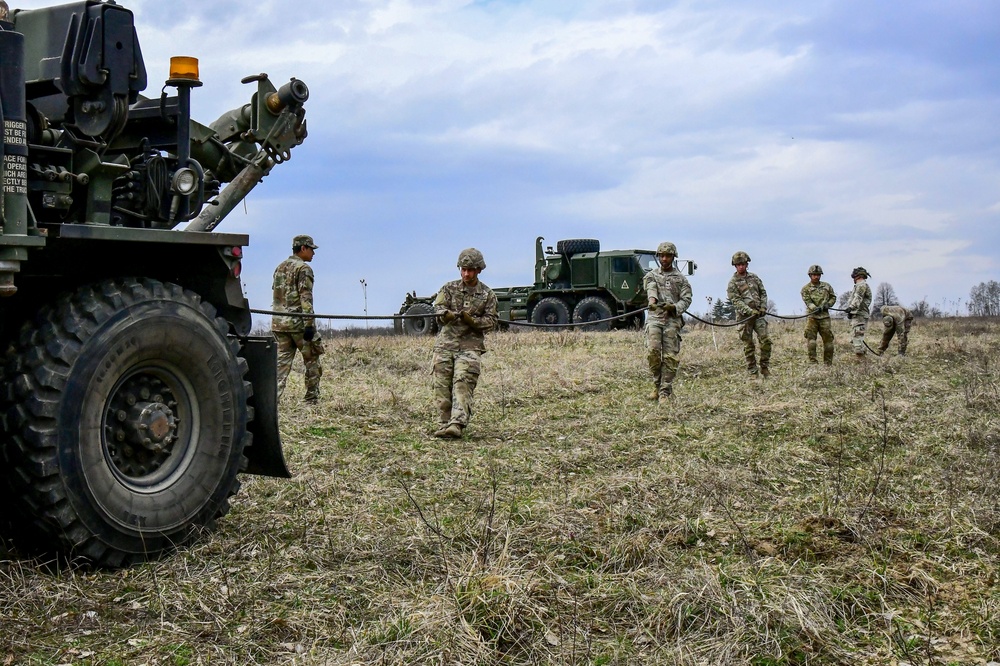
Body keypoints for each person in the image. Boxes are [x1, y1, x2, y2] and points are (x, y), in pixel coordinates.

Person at [431, 248, 499, 439]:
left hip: (470, 347)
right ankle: (444, 424)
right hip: (445, 345)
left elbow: (491, 321)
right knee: (441, 385)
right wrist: (445, 315)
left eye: (470, 270)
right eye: (463, 269)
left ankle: (457, 424)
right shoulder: (448, 288)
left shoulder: (487, 295)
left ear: (479, 270)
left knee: (463, 382)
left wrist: (473, 322)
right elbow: (437, 308)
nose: (466, 273)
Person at [272, 234, 324, 403]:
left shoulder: (279, 267)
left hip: (280, 325)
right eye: (311, 249)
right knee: (312, 361)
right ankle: (311, 398)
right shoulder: (304, 269)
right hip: (299, 325)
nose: (313, 254)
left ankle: (272, 400)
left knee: (280, 366)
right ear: (303, 248)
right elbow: (305, 298)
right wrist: (309, 324)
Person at [643, 241, 693, 400]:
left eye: (668, 256)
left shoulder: (681, 279)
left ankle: (665, 391)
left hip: (672, 321)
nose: (664, 259)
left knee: (670, 357)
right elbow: (651, 288)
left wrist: (675, 307)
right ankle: (656, 386)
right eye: (662, 256)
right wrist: (652, 301)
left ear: (673, 257)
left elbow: (687, 299)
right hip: (654, 319)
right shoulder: (651, 275)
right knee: (653, 352)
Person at [726, 251, 771, 377]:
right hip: (744, 318)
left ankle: (764, 367)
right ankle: (752, 370)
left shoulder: (754, 278)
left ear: (747, 264)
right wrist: (749, 311)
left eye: (743, 264)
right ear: (735, 266)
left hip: (759, 316)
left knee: (766, 340)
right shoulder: (732, 283)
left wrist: (763, 306)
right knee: (748, 345)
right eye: (738, 264)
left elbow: (763, 293)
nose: (741, 266)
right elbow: (736, 301)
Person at [800, 264, 838, 365]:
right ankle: (813, 363)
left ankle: (828, 364)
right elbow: (807, 301)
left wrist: (828, 304)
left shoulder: (827, 286)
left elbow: (833, 297)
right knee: (811, 341)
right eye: (814, 275)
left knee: (828, 341)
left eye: (818, 275)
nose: (816, 276)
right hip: (812, 317)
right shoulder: (805, 289)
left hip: (825, 318)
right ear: (810, 275)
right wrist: (814, 308)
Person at [844, 266, 873, 359]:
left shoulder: (861, 285)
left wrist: (851, 308)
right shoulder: (859, 285)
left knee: (857, 339)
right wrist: (851, 312)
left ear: (857, 276)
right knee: (856, 338)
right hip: (857, 314)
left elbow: (858, 298)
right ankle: (864, 361)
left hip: (859, 315)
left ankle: (861, 363)